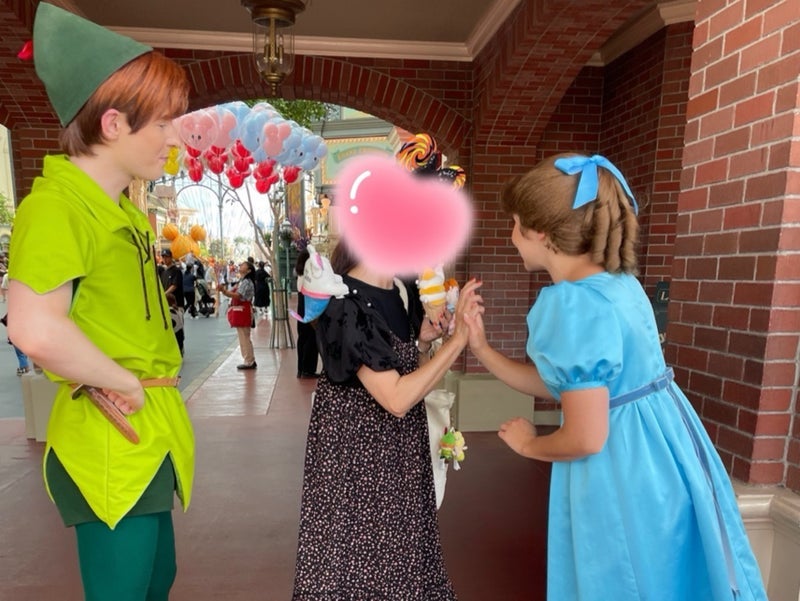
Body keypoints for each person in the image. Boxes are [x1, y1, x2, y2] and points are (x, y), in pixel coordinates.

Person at [461, 153, 767, 601]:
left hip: (621, 470)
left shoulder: (572, 305)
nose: (511, 236)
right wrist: (483, 350)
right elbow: (575, 389)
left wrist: (529, 445)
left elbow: (585, 436)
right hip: (663, 456)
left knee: (624, 580)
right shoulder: (620, 286)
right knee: (668, 577)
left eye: (516, 224)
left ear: (542, 232)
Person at [5, 4, 195, 599]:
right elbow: (33, 328)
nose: (174, 138)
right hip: (111, 433)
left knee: (155, 581)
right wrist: (123, 380)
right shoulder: (57, 208)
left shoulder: (120, 212)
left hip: (145, 431)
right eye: (162, 123)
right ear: (113, 124)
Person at [291, 239, 482, 600]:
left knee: (403, 564)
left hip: (399, 463)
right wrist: (457, 343)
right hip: (357, 472)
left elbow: (414, 383)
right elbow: (396, 399)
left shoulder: (402, 293)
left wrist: (423, 344)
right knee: (358, 570)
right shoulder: (343, 302)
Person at [219, 260, 257, 370]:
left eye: (244, 265)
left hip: (243, 310)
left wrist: (224, 291)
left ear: (248, 270)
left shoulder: (246, 282)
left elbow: (238, 295)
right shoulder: (242, 281)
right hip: (242, 310)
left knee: (244, 337)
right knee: (243, 336)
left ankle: (249, 360)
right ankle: (249, 359)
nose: (241, 265)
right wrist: (225, 291)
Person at [293, 250, 319, 378]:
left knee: (303, 338)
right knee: (311, 338)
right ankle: (308, 370)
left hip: (301, 308)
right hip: (310, 307)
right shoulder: (310, 275)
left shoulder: (300, 274)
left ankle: (301, 369)